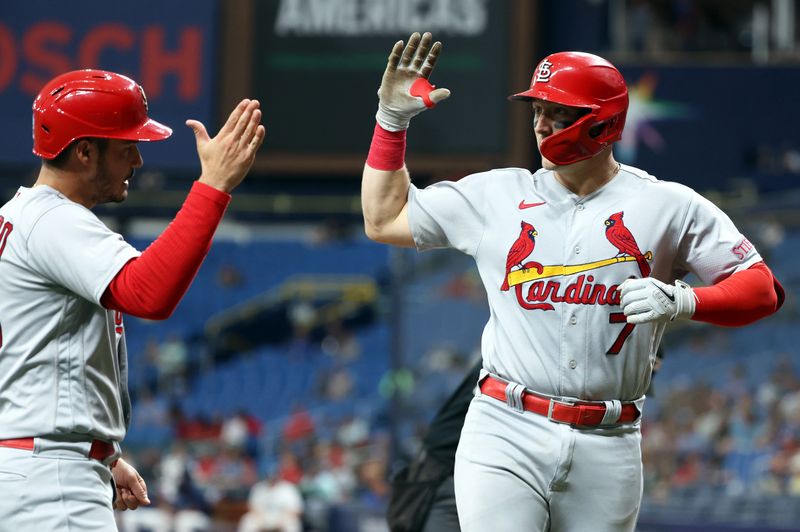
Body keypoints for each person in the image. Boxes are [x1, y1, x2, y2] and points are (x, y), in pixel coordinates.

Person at [361, 32, 784, 531]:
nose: (540, 125)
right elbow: (383, 219)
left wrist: (685, 300)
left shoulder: (668, 205)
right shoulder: (497, 195)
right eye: (537, 110)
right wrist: (391, 122)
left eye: (557, 113)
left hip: (610, 440)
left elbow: (763, 291)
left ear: (603, 122)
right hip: (505, 426)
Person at [0, 69, 265, 530]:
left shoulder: (19, 217)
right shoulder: (53, 221)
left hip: (33, 464)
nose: (138, 160)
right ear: (85, 151)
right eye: (126, 148)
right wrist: (214, 186)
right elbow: (150, 292)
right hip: (49, 483)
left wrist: (103, 455)